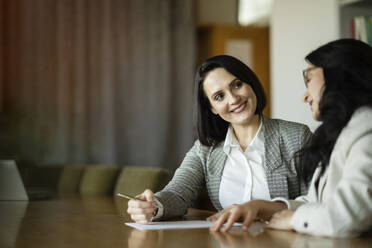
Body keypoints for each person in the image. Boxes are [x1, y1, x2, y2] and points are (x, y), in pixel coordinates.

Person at [212, 39, 372, 238]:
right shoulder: (343, 132)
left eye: (309, 79)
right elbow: (317, 202)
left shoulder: (366, 129)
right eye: (218, 96)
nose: (305, 96)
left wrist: (293, 219)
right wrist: (262, 207)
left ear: (339, 77)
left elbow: (349, 215)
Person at [127, 55, 312, 226]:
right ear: (212, 108)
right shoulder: (205, 149)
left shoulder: (296, 136)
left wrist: (261, 207)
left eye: (237, 84)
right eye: (219, 96)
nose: (233, 99)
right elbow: (178, 193)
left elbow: (315, 201)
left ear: (250, 83)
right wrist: (152, 206)